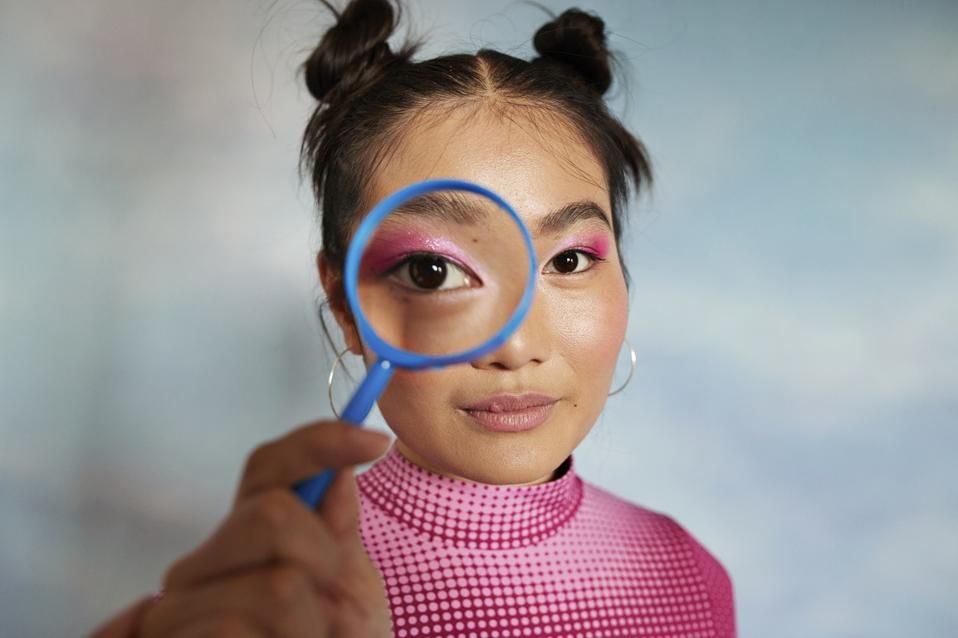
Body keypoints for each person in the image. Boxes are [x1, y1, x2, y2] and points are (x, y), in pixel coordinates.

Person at [90, 0, 737, 636]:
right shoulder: (261, 602)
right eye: (433, 272)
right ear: (346, 304)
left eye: (569, 260)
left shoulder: (690, 576)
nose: (513, 345)